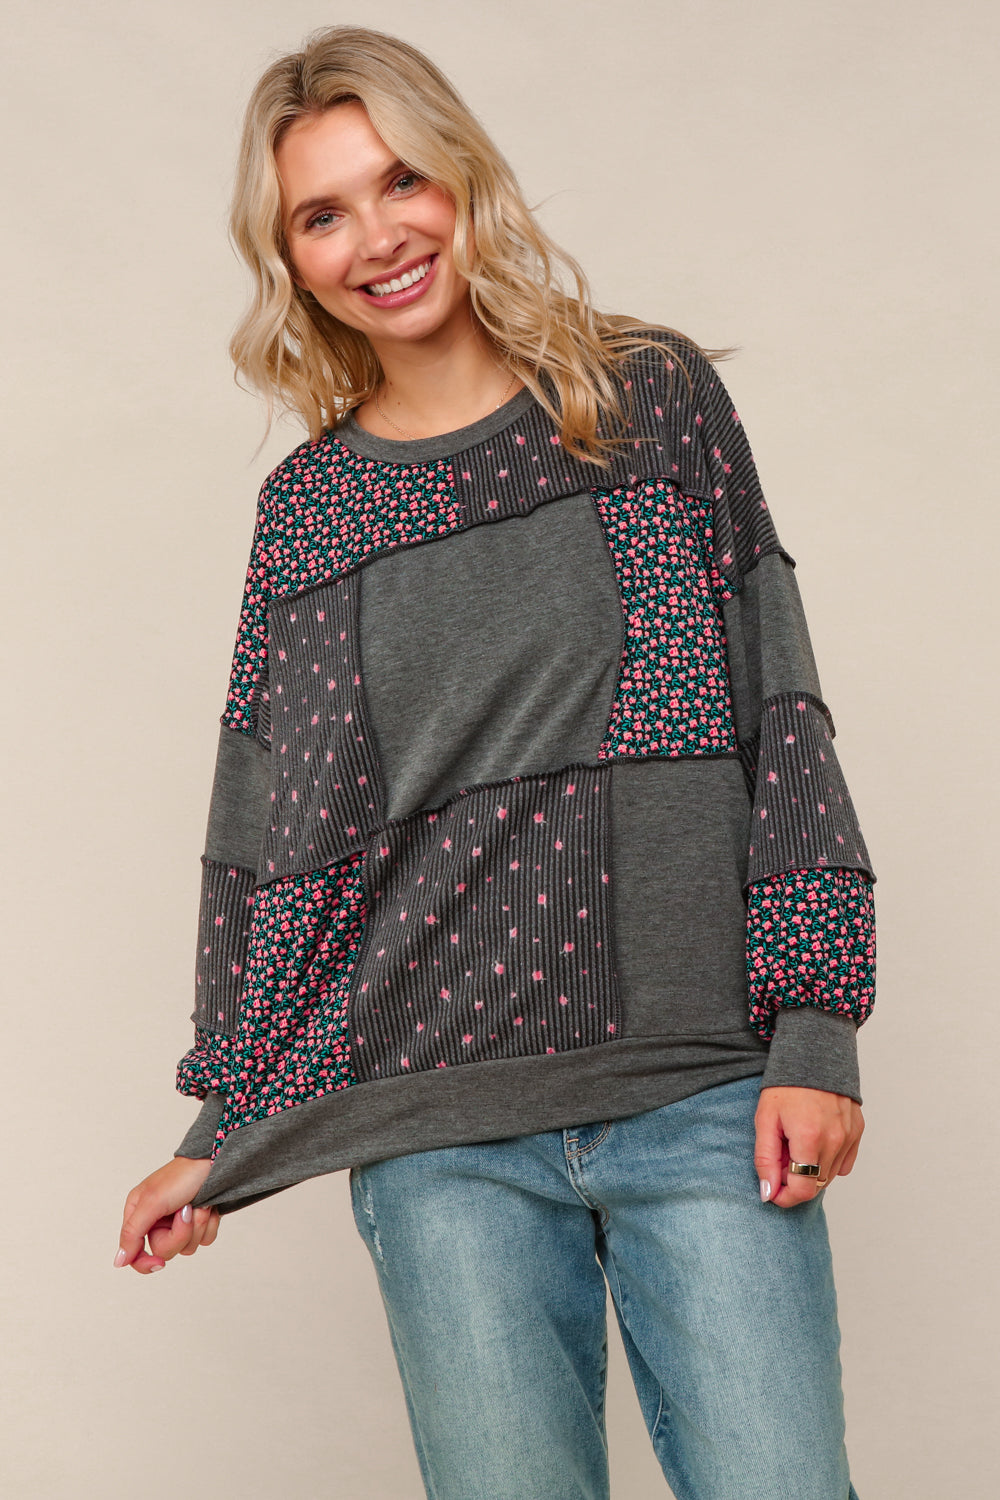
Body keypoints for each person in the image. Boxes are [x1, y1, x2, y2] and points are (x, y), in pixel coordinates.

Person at [115, 25, 875, 1500]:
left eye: (401, 181)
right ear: (290, 260)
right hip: (441, 1140)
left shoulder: (642, 404)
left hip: (700, 1093)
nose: (377, 237)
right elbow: (293, 846)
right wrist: (227, 1124)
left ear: (463, 177)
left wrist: (817, 1031)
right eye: (323, 214)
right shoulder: (312, 516)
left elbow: (778, 712)